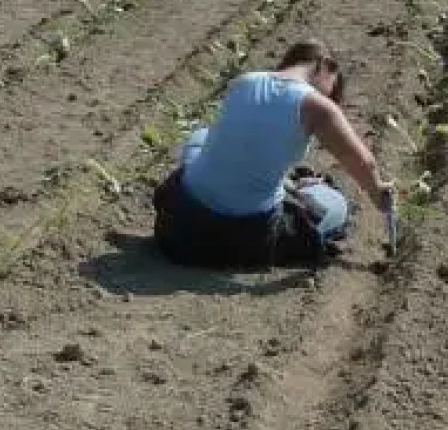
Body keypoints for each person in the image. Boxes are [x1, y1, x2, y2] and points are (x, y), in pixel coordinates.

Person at [151, 39, 394, 269]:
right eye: (333, 86)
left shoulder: (243, 81)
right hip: (243, 241)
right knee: (336, 205)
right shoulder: (317, 107)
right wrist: (377, 191)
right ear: (324, 65)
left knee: (200, 137)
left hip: (179, 229)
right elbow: (363, 163)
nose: (330, 96)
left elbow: (246, 150)